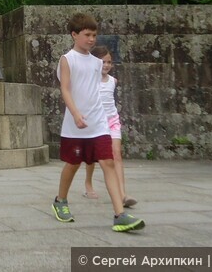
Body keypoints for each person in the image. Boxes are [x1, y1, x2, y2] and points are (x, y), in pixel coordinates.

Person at [52, 13, 144, 232]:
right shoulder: (67, 59)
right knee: (73, 165)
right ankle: (60, 201)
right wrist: (75, 114)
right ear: (74, 35)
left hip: (98, 123)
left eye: (94, 35)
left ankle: (119, 214)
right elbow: (65, 88)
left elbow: (98, 87)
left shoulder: (97, 62)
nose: (92, 39)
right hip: (76, 125)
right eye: (87, 35)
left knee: (108, 162)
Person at [81, 46, 137, 208]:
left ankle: (122, 194)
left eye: (109, 62)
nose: (106, 65)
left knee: (116, 155)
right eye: (102, 62)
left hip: (112, 121)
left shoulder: (113, 81)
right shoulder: (89, 80)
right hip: (95, 122)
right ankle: (88, 184)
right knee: (91, 158)